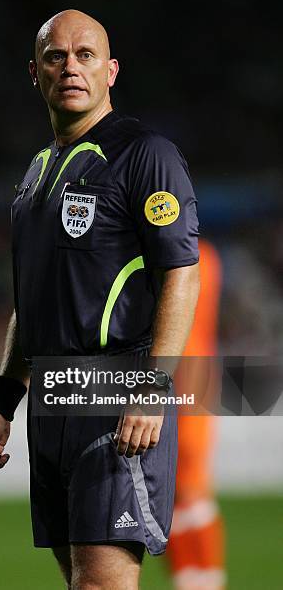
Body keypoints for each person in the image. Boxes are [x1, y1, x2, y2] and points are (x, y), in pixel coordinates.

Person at [0, 9, 200, 590]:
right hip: (52, 402)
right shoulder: (36, 172)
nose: (70, 66)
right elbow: (33, 300)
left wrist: (153, 386)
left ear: (111, 71)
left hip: (117, 396)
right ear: (35, 72)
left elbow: (182, 275)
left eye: (85, 55)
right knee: (80, 581)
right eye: (55, 56)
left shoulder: (145, 154)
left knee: (101, 583)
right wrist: (4, 399)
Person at [166, 239, 226, 590]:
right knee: (177, 493)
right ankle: (193, 580)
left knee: (188, 489)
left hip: (184, 386)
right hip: (188, 382)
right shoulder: (206, 255)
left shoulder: (192, 257)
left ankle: (203, 581)